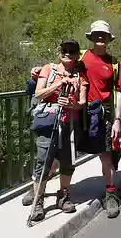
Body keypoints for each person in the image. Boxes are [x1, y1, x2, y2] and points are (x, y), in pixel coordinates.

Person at [29, 40, 88, 221]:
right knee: (43, 161)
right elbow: (38, 94)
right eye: (64, 50)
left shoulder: (81, 75)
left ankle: (63, 196)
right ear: (60, 52)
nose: (67, 53)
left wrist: (71, 104)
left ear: (78, 55)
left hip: (69, 123)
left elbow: (82, 102)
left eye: (72, 51)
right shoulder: (48, 69)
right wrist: (58, 84)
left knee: (67, 161)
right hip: (49, 122)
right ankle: (38, 201)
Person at [76, 20, 121, 219]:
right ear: (91, 37)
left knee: (107, 154)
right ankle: (41, 187)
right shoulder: (80, 57)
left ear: (108, 39)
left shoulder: (114, 64)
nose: (100, 37)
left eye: (103, 34)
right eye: (96, 34)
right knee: (59, 151)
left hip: (103, 115)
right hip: (78, 112)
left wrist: (118, 120)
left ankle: (111, 194)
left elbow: (120, 92)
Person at [21, 67, 59, 207]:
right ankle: (36, 191)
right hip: (45, 118)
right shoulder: (49, 68)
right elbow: (31, 90)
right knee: (44, 158)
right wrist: (34, 79)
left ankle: (58, 193)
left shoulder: (75, 67)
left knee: (58, 159)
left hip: (67, 117)